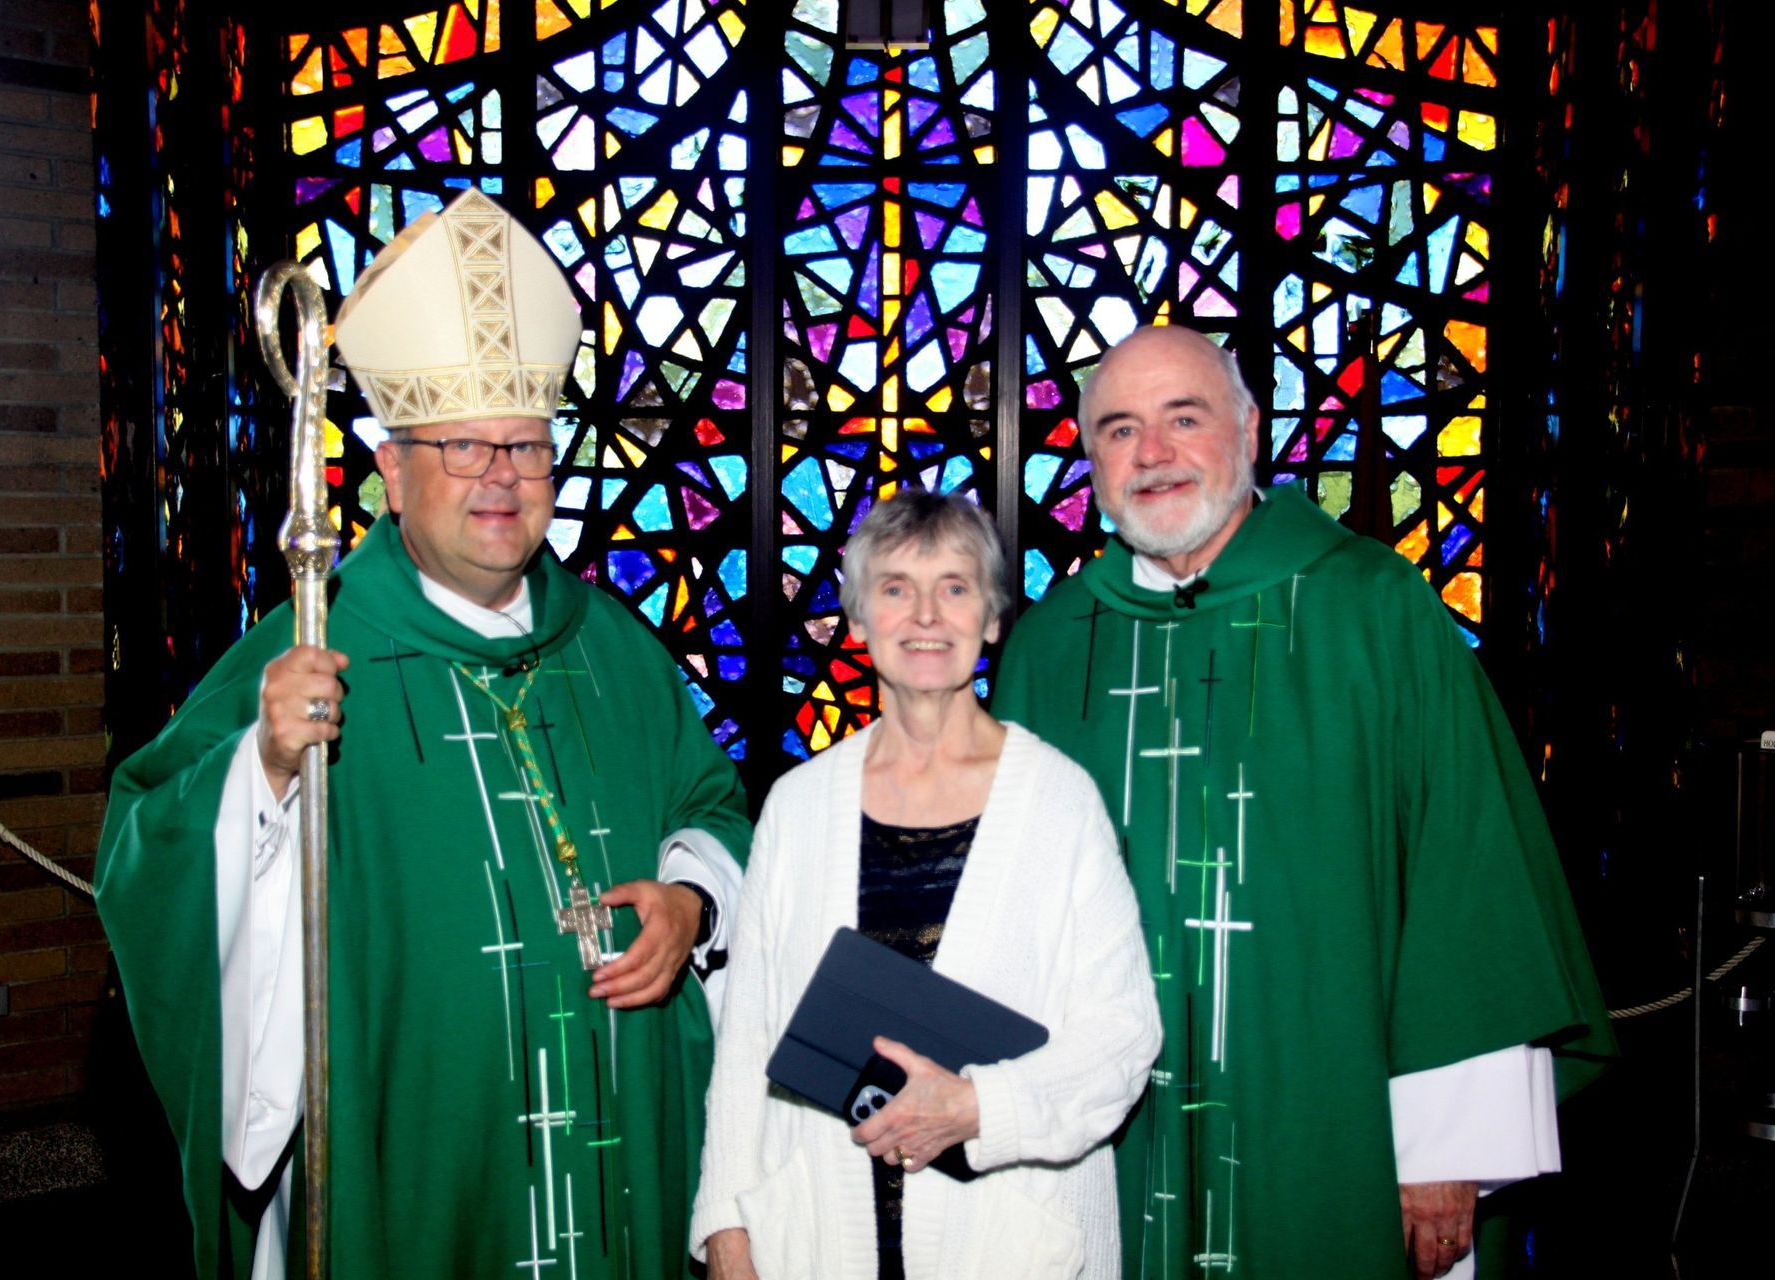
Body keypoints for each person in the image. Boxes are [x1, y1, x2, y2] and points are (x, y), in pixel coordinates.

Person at [95, 190, 749, 1279]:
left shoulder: (617, 650)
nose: (501, 474)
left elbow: (712, 806)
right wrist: (259, 768)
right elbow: (144, 843)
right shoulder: (312, 645)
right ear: (391, 472)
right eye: (462, 445)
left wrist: (692, 904)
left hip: (620, 1145)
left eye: (528, 447)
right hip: (414, 1169)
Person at [991, 325, 1616, 1280]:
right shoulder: (1050, 647)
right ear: (1090, 459)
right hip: (1102, 1138)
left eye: (1182, 419)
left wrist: (1447, 1146)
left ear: (1249, 430)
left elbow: (1466, 874)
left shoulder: (1372, 609)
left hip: (1337, 1123)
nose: (1151, 454)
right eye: (1119, 430)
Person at [692, 489, 1162, 1279]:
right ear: (858, 620)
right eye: (896, 589)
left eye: (954, 587)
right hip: (820, 1226)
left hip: (1008, 1231)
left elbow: (1122, 1036)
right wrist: (727, 1229)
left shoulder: (1058, 800)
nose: (926, 615)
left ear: (992, 618)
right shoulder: (798, 805)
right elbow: (748, 1040)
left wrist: (978, 1109)